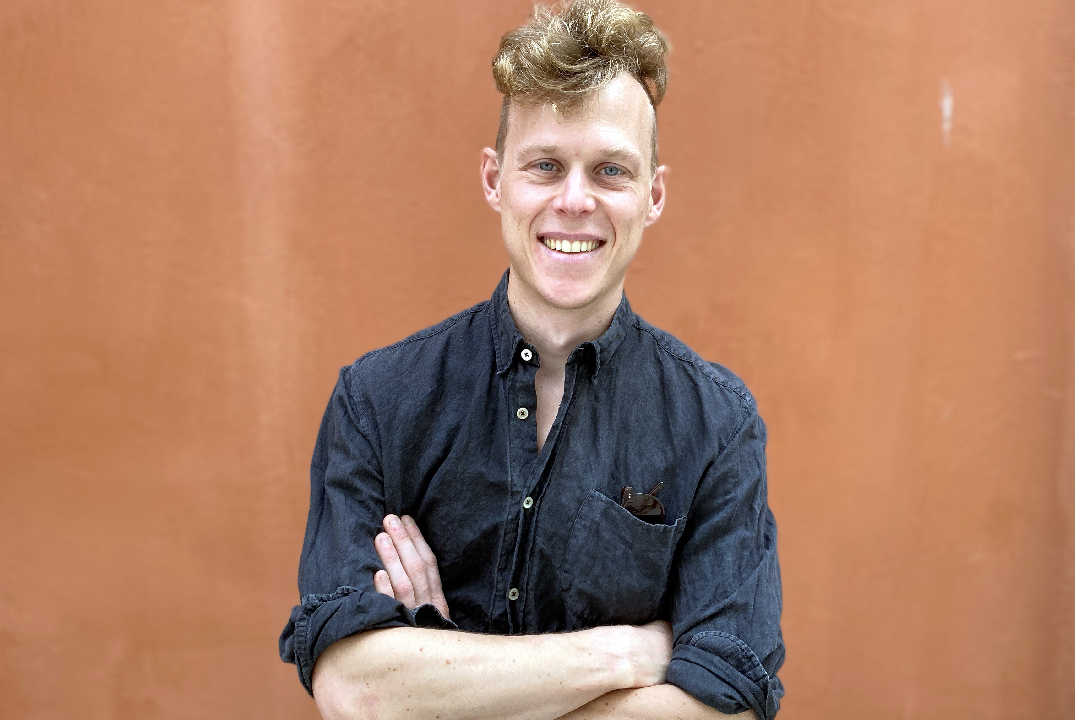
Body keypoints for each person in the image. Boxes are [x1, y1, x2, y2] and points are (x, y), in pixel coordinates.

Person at [278, 1, 785, 718]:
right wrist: (620, 656)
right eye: (545, 166)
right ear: (495, 179)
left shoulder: (716, 425)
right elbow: (353, 689)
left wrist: (441, 685)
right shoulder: (378, 402)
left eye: (610, 170)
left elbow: (723, 708)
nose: (574, 200)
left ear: (653, 194)